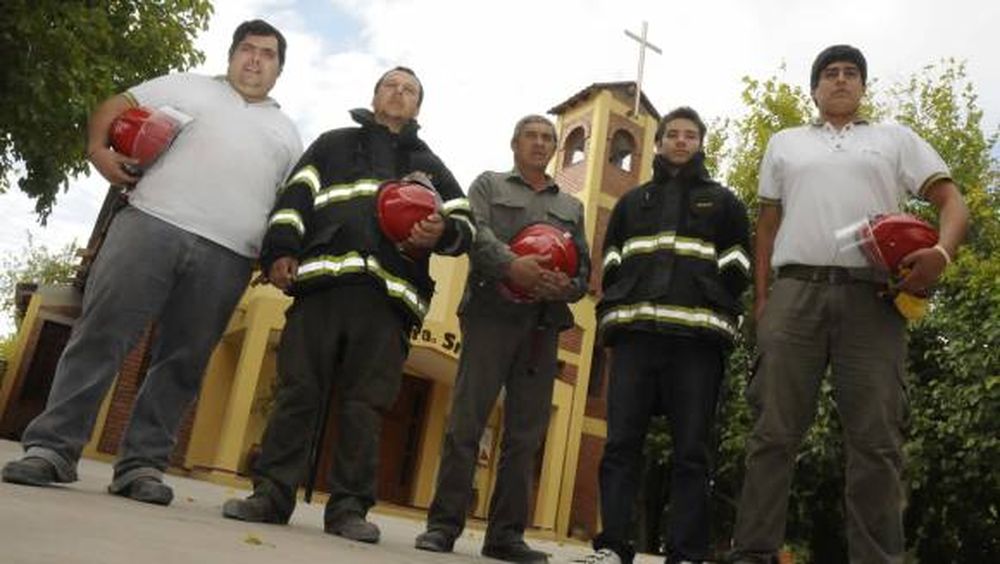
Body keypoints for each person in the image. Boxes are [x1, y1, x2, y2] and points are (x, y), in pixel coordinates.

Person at [1, 20, 302, 506]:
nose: (254, 60)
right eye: (246, 50)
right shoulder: (184, 84)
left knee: (183, 361)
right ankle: (52, 448)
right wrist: (98, 150)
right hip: (149, 222)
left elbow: (289, 204)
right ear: (230, 56)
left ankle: (141, 465)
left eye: (267, 54)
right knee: (101, 334)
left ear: (278, 69)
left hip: (229, 254)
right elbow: (116, 105)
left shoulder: (288, 133)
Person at [729, 45, 969, 564]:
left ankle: (876, 558)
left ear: (863, 87)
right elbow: (767, 227)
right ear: (814, 89)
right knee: (773, 431)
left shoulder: (895, 139)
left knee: (877, 440)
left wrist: (941, 253)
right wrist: (764, 300)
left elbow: (953, 202)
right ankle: (753, 552)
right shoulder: (784, 143)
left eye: (850, 74)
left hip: (875, 299)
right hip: (794, 295)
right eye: (829, 74)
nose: (840, 80)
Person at [221, 67, 475, 544]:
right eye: (390, 86)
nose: (399, 94)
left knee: (367, 405)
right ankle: (271, 495)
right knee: (298, 391)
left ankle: (349, 509)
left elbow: (464, 223)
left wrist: (444, 231)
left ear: (419, 106)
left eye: (410, 90)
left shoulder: (432, 165)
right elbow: (294, 199)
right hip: (321, 286)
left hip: (389, 299)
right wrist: (280, 251)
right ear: (374, 95)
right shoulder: (333, 144)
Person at [577, 107, 751, 564]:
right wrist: (622, 301)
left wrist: (710, 293)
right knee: (620, 445)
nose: (679, 141)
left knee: (692, 451)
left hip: (697, 343)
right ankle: (613, 545)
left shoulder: (726, 203)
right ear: (658, 143)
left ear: (700, 144)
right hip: (637, 338)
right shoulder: (632, 204)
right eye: (671, 134)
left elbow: (740, 266)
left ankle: (685, 553)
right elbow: (611, 259)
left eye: (689, 135)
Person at [414, 115, 590, 563]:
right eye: (530, 136)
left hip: (542, 325)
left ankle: (506, 536)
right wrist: (513, 265)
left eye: (547, 138)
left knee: (526, 434)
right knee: (466, 422)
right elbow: (475, 234)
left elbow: (582, 271)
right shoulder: (489, 186)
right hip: (491, 315)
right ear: (514, 144)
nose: (539, 143)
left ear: (554, 148)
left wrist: (562, 287)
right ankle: (443, 526)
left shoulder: (572, 208)